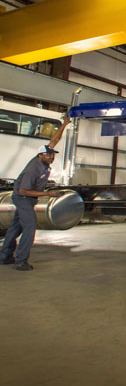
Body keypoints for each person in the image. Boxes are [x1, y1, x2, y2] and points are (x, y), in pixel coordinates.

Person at [0, 115, 71, 271]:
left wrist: (64, 124)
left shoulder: (43, 162)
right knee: (30, 227)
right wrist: (48, 195)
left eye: (52, 155)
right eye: (48, 155)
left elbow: (54, 140)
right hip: (23, 198)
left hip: (28, 200)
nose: (51, 157)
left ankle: (4, 257)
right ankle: (21, 261)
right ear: (40, 155)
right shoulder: (34, 168)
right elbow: (22, 190)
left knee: (15, 228)